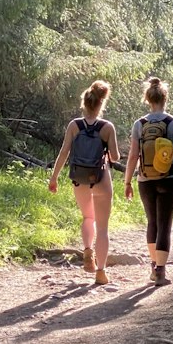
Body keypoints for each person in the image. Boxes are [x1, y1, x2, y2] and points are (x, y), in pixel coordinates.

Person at [48, 79, 121, 285]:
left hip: (79, 178)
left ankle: (88, 250)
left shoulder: (74, 125)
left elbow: (64, 153)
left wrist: (54, 178)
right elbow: (114, 157)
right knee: (103, 228)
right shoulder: (107, 127)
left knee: (88, 217)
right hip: (101, 178)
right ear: (101, 104)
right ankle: (101, 271)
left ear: (85, 103)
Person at [124, 76, 173, 286]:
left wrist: (127, 181)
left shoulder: (139, 124)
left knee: (152, 222)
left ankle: (153, 267)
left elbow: (133, 156)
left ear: (148, 99)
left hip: (145, 180)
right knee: (165, 224)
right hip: (169, 178)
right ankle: (161, 272)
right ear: (165, 98)